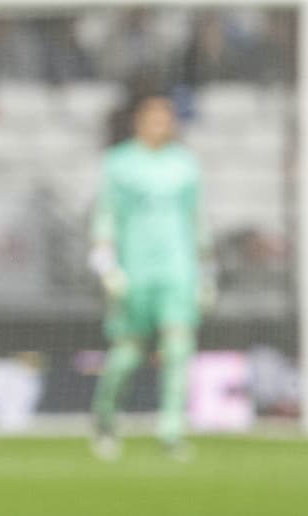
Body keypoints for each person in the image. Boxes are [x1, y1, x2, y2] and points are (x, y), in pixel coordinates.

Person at [88, 94, 214, 461]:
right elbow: (105, 215)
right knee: (127, 354)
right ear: (140, 122)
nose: (161, 125)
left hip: (178, 269)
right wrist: (106, 263)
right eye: (154, 118)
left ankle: (171, 431)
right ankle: (106, 419)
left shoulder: (185, 165)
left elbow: (197, 218)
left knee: (178, 348)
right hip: (135, 269)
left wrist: (206, 271)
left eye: (166, 118)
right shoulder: (119, 163)